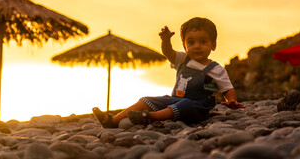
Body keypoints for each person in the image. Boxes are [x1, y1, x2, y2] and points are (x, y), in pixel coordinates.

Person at [92, 17, 245, 128]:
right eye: (191, 42)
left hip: (198, 107)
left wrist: (232, 100)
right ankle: (112, 120)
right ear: (185, 46)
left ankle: (150, 117)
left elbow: (228, 88)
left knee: (185, 103)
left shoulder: (215, 69)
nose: (197, 46)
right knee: (146, 99)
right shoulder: (182, 59)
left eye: (203, 41)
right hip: (174, 100)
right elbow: (168, 52)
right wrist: (166, 40)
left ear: (213, 45)